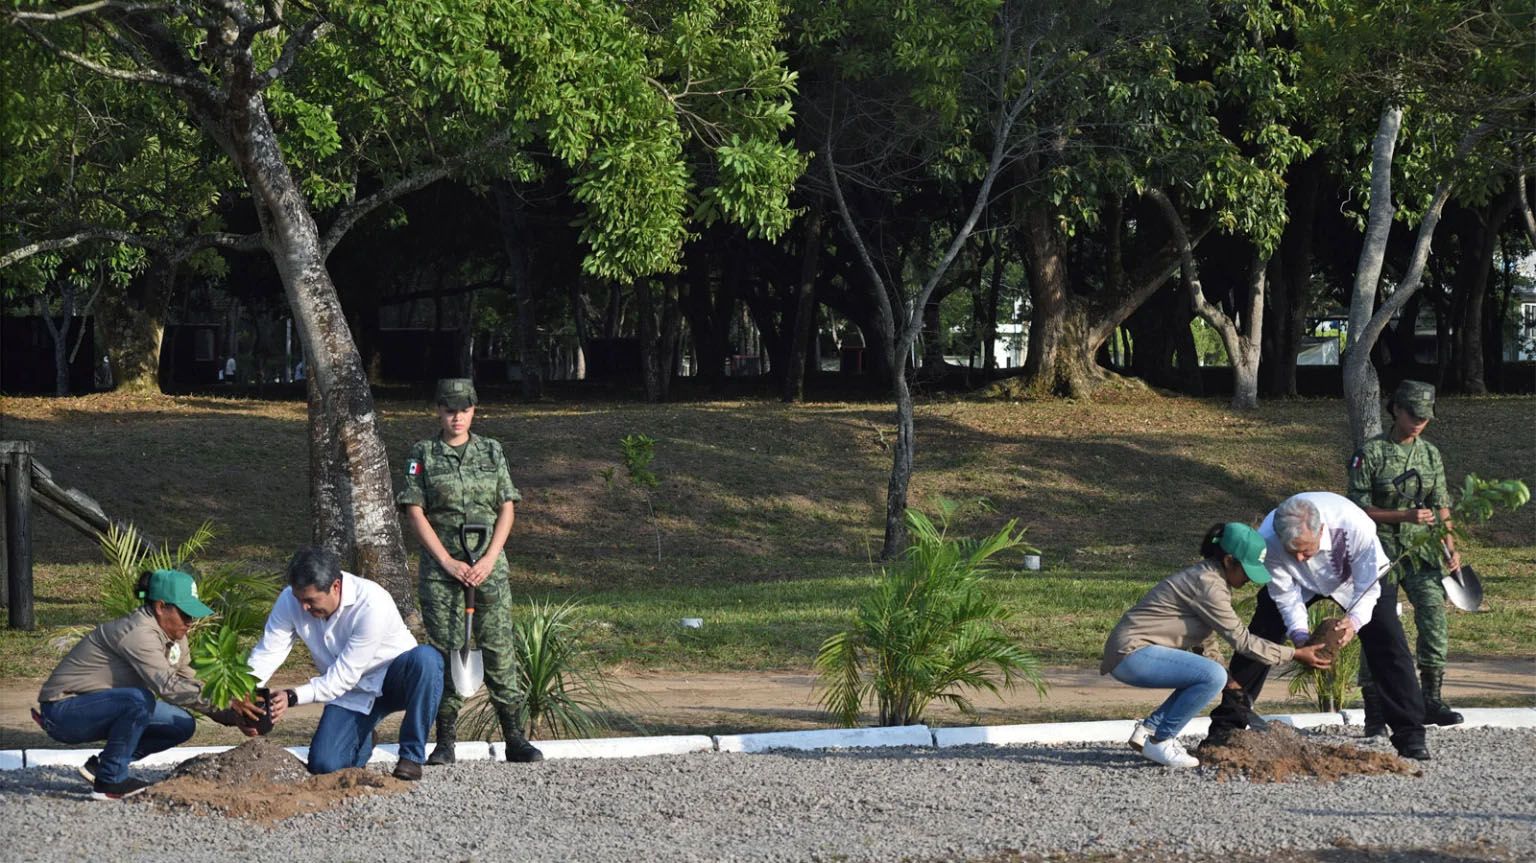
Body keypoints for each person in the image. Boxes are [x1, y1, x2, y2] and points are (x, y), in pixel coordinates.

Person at [1203, 492, 1431, 760]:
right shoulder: (1269, 538)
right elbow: (1285, 595)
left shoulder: (1356, 526)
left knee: (1389, 643)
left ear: (1321, 530)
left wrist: (1354, 622)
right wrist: (1300, 637)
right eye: (1293, 551)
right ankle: (1226, 728)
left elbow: (1367, 589)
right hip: (1298, 584)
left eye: (1305, 549)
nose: (1299, 557)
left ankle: (1411, 735)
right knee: (1261, 635)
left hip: (1355, 582)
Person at [396, 378, 543, 765]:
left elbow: (507, 506)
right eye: (448, 409)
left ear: (474, 410)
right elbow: (415, 511)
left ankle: (515, 737)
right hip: (443, 574)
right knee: (447, 653)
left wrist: (490, 558)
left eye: (463, 409)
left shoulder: (492, 452)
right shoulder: (423, 453)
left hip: (488, 571)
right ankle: (445, 742)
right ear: (438, 411)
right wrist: (447, 561)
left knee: (497, 649)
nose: (456, 417)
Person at [1102, 523, 1333, 768]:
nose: (1250, 579)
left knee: (1211, 674)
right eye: (1247, 570)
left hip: (1133, 652)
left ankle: (1150, 728)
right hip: (1132, 654)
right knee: (1210, 676)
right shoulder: (1209, 585)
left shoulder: (1210, 578)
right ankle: (1161, 741)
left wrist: (1229, 678)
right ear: (1229, 560)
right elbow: (1243, 641)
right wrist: (1295, 654)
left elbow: (1205, 638)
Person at [33, 569, 254, 800]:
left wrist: (231, 714)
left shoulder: (175, 636)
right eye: (185, 614)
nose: (190, 622)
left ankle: (103, 767)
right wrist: (230, 702)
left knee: (182, 724)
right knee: (139, 700)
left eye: (193, 615)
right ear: (161, 607)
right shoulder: (139, 633)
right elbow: (168, 686)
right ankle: (110, 782)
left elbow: (189, 681)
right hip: (63, 711)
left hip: (101, 706)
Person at [240, 547, 444, 781]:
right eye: (299, 599)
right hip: (352, 694)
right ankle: (363, 737)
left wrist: (292, 696)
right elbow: (269, 650)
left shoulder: (371, 602)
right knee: (325, 766)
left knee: (427, 659)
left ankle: (411, 756)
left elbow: (344, 675)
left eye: (310, 600)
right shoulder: (291, 600)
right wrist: (244, 690)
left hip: (395, 678)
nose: (303, 608)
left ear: (335, 586)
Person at [1348, 380, 1463, 733]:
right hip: (1378, 551)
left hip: (1420, 552)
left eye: (1425, 418)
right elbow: (1356, 508)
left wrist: (1451, 548)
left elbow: (1441, 504)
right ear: (1396, 409)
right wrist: (1402, 516)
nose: (1419, 423)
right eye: (1413, 415)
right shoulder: (1371, 453)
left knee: (1433, 614)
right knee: (1376, 624)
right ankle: (1376, 708)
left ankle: (1431, 696)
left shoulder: (1430, 455)